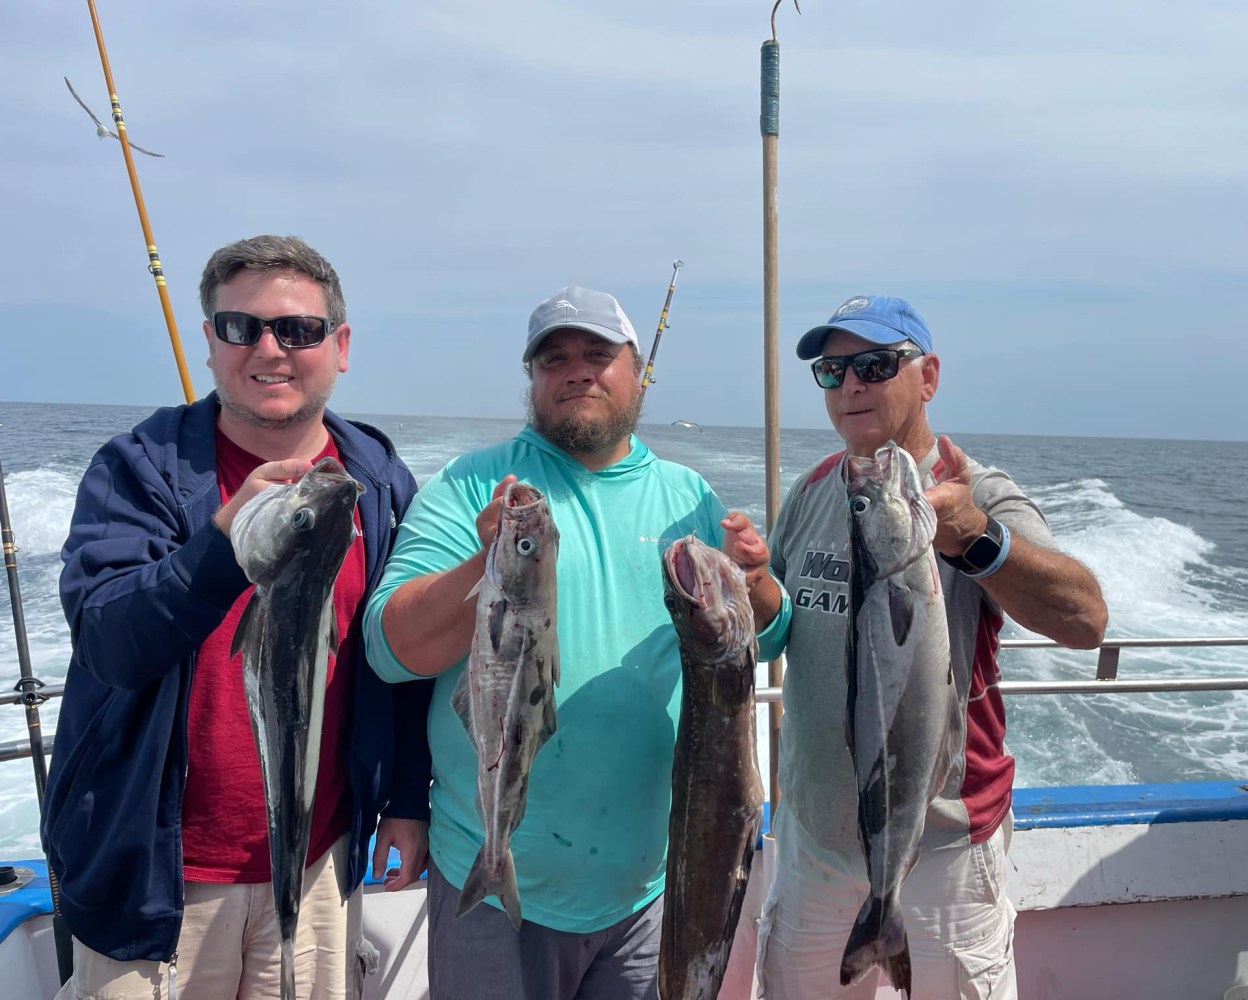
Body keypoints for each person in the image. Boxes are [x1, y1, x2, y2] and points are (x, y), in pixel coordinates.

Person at [363, 285, 783, 1000]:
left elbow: (765, 638)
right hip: (490, 885)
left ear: (634, 370)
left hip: (647, 889)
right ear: (532, 379)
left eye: (597, 354)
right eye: (553, 359)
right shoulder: (470, 488)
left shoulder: (690, 496)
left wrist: (758, 580)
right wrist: (488, 559)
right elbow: (387, 648)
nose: (576, 372)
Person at [41, 234, 432, 999]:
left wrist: (409, 799)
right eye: (239, 327)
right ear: (212, 345)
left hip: (321, 864)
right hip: (155, 881)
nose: (269, 348)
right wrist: (222, 545)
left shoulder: (378, 479)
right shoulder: (138, 468)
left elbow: (405, 654)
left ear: (339, 346)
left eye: (298, 329)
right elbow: (110, 642)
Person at [754, 294, 1108, 1000]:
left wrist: (977, 540)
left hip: (942, 847)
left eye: (875, 364)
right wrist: (748, 590)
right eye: (832, 371)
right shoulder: (814, 490)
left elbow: (1084, 622)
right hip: (812, 843)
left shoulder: (979, 496)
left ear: (928, 376)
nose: (851, 385)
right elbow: (781, 628)